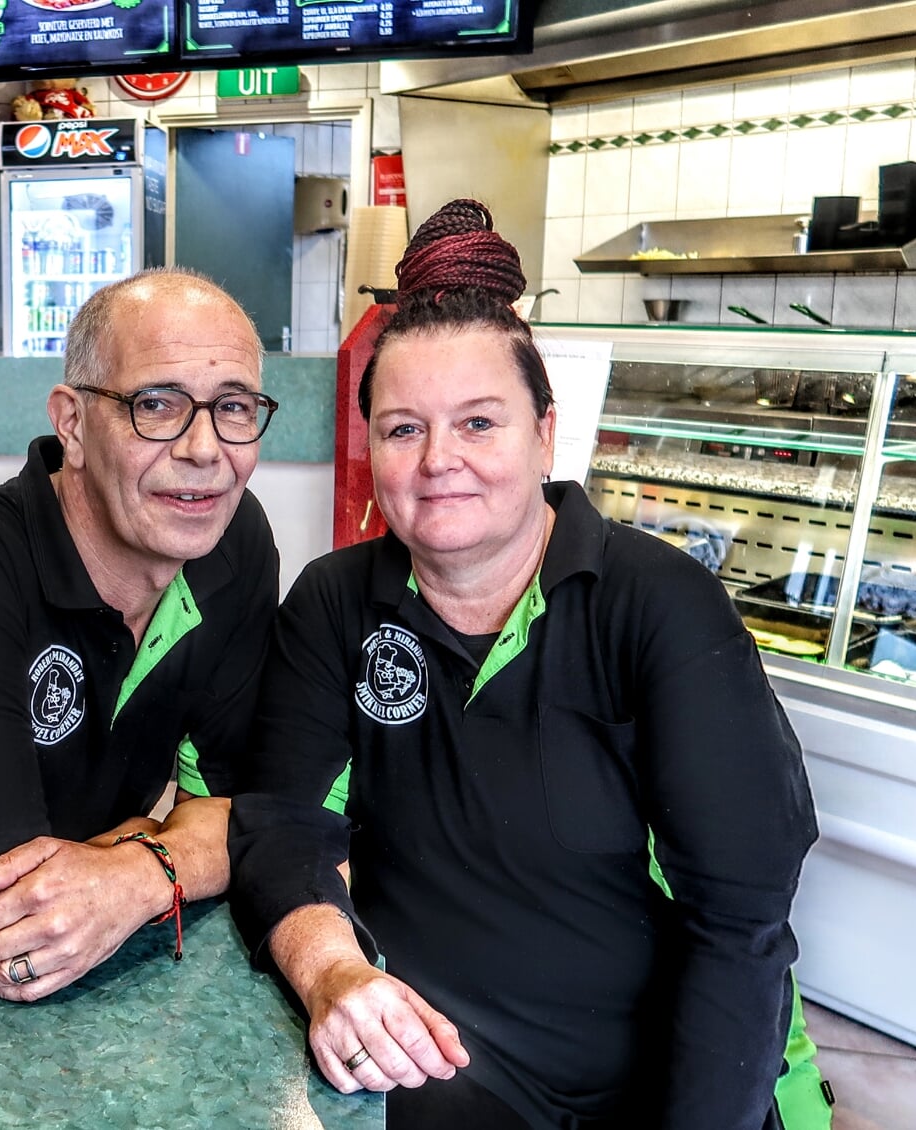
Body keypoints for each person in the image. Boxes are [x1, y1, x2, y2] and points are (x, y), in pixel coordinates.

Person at [229, 200, 830, 1129]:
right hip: (421, 1073)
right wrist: (333, 968)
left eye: (479, 423)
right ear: (371, 449)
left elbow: (738, 926)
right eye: (402, 429)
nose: (439, 462)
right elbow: (281, 828)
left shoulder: (658, 608)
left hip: (636, 1087)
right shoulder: (335, 602)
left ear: (544, 435)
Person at [0, 267, 281, 1002]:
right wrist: (164, 846)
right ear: (72, 423)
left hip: (100, 953)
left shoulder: (232, 542)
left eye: (234, 407)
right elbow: (9, 915)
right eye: (156, 404)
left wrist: (134, 870)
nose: (204, 450)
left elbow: (239, 814)